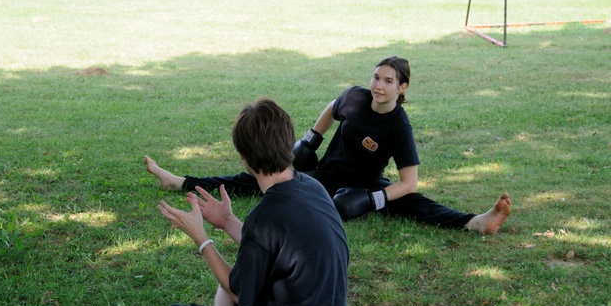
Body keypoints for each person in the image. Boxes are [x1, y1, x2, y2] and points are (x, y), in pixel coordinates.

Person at [145, 56, 511, 235]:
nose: (378, 85)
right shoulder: (355, 96)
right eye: (376, 77)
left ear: (402, 88)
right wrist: (311, 139)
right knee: (257, 177)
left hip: (362, 185)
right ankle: (179, 181)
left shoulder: (399, 126)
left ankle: (475, 222)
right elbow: (332, 109)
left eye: (388, 81)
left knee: (413, 202)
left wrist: (372, 199)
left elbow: (409, 182)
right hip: (324, 175)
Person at [138, 99, 349, 306]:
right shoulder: (312, 186)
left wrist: (201, 238)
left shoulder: (265, 216)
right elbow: (278, 248)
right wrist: (227, 221)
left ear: (244, 158)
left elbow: (237, 290)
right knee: (230, 280)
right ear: (289, 141)